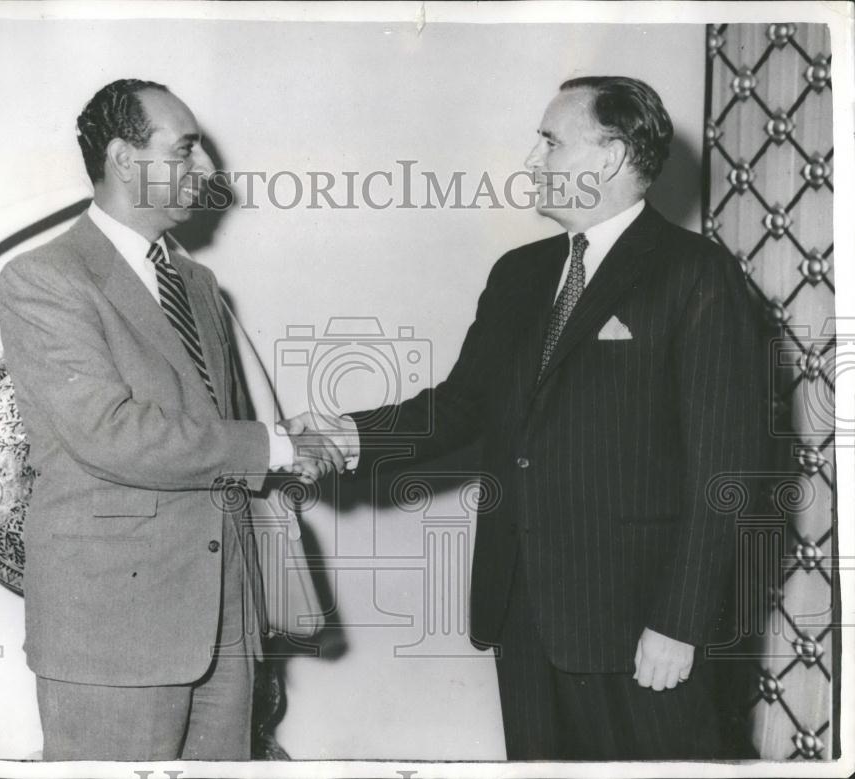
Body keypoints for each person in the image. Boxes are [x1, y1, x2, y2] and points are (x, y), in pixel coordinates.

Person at [287, 76, 766, 759]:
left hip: (638, 625)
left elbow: (728, 468)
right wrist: (347, 434)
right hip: (524, 610)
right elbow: (460, 406)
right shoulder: (517, 273)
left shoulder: (696, 274)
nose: (532, 161)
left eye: (549, 141)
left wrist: (680, 623)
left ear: (607, 157)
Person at [0, 78, 341, 761]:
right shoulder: (44, 277)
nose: (205, 171)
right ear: (125, 160)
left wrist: (285, 443)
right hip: (114, 633)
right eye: (184, 150)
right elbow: (110, 432)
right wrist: (274, 444)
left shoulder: (201, 286)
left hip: (223, 620)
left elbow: (214, 436)